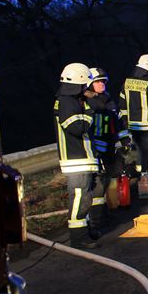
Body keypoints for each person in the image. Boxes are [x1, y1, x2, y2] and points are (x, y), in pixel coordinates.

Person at [54, 63, 100, 248]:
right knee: (80, 199)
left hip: (82, 158)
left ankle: (85, 230)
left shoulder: (72, 101)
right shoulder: (67, 102)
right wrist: (89, 111)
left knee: (85, 198)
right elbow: (77, 127)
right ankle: (78, 237)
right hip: (76, 159)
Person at [85, 67, 131, 235]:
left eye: (103, 81)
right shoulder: (87, 102)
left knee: (105, 182)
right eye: (98, 82)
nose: (102, 84)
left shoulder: (108, 100)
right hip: (96, 150)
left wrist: (124, 139)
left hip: (109, 148)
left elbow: (119, 121)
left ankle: (102, 214)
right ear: (89, 83)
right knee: (97, 185)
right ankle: (95, 221)